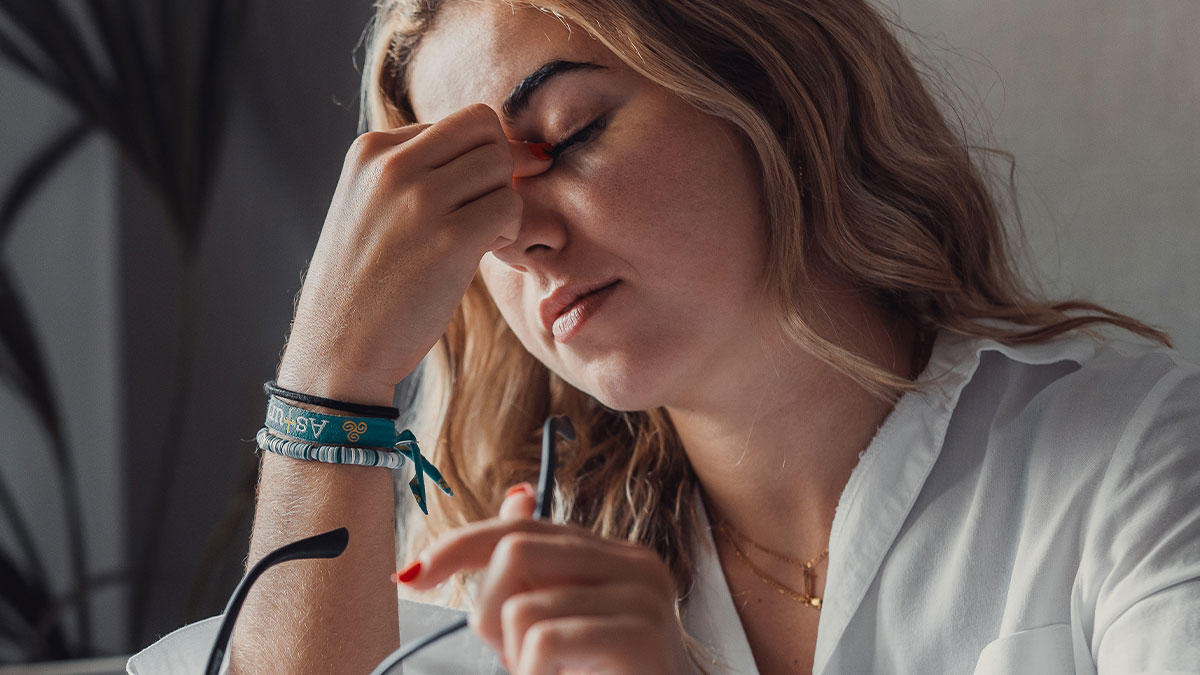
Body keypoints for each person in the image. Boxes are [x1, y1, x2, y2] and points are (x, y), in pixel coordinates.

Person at [221, 1, 1200, 673]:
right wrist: (329, 372)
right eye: (475, 213)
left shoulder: (1132, 461)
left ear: (770, 83)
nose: (520, 240)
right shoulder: (514, 574)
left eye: (564, 136)